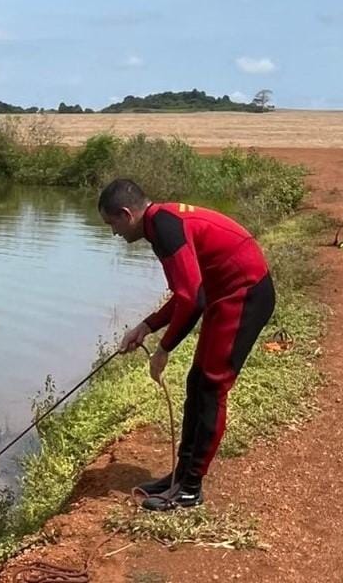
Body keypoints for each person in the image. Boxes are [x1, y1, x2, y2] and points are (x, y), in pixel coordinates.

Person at [98, 179, 276, 512]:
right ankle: (181, 475)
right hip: (224, 295)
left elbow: (193, 300)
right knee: (197, 383)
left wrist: (163, 349)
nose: (114, 233)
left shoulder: (165, 228)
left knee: (211, 387)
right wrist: (146, 326)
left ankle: (190, 489)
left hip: (245, 294)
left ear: (126, 214)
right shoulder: (159, 224)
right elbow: (187, 292)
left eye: (113, 224)